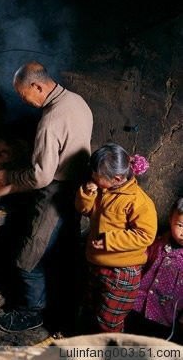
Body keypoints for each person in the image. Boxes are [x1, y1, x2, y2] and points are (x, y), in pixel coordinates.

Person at [0, 61, 93, 333]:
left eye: (25, 95)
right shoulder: (77, 101)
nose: (25, 101)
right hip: (78, 189)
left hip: (55, 193)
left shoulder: (50, 120)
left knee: (28, 256)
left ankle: (31, 311)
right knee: (60, 250)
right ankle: (56, 304)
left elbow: (41, 176)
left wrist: (9, 178)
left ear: (38, 86)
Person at [75, 143, 158, 333]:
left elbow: (145, 235)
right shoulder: (104, 190)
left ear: (117, 178)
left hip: (121, 273)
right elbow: (84, 210)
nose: (93, 179)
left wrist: (108, 241)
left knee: (108, 321)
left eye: (97, 176)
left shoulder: (138, 201)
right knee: (91, 308)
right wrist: (87, 193)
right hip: (98, 265)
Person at [126, 197, 183, 341]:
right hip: (135, 307)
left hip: (163, 319)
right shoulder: (155, 243)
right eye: (181, 225)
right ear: (171, 218)